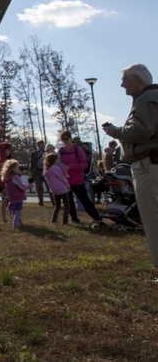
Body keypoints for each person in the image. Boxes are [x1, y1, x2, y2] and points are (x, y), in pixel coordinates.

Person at [102, 63, 158, 269]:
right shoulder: (149, 98)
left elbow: (141, 131)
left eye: (124, 79)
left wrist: (116, 131)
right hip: (151, 162)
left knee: (152, 221)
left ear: (138, 79)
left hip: (149, 164)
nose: (121, 85)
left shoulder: (146, 99)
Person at [58, 130, 101, 225]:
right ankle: (74, 219)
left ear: (70, 138)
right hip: (66, 181)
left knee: (84, 200)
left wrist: (71, 167)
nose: (65, 141)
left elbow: (84, 164)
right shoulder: (61, 151)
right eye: (63, 140)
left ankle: (97, 218)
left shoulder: (77, 149)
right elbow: (58, 162)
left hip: (77, 180)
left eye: (66, 139)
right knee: (68, 202)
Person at [43, 152, 71, 224]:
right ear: (54, 160)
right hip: (61, 189)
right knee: (67, 204)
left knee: (57, 206)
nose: (58, 160)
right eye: (57, 159)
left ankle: (54, 220)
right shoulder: (56, 168)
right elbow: (62, 178)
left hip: (54, 190)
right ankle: (65, 221)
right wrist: (67, 185)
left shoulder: (46, 170)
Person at [1, 159, 27, 230]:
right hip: (17, 197)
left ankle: (14, 223)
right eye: (17, 167)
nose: (19, 169)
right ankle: (15, 226)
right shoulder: (15, 177)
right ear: (12, 169)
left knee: (13, 212)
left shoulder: (7, 177)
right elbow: (21, 186)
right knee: (18, 212)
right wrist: (27, 186)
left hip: (11, 198)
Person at [0, 142, 12, 223]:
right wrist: (3, 186)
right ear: (3, 150)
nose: (9, 152)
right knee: (4, 201)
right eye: (8, 150)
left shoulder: (8, 159)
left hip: (10, 183)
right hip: (4, 185)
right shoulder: (0, 161)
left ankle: (13, 217)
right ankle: (4, 219)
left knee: (12, 201)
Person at [28, 140, 47, 206]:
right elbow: (32, 163)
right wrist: (31, 172)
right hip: (37, 172)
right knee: (39, 188)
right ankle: (41, 202)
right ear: (38, 146)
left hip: (46, 171)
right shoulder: (33, 154)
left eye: (43, 145)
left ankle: (54, 202)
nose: (42, 146)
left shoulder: (47, 153)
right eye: (41, 145)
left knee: (49, 187)